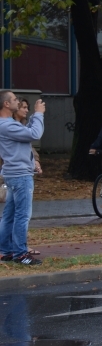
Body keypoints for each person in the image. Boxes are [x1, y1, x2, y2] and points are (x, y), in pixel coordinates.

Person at [0, 91, 45, 265]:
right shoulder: (7, 125)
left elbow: (26, 132)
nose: (17, 102)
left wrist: (34, 116)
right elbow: (34, 135)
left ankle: (5, 250)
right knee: (22, 215)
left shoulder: (9, 124)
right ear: (6, 104)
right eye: (15, 100)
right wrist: (40, 114)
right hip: (20, 176)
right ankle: (20, 253)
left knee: (9, 215)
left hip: (13, 174)